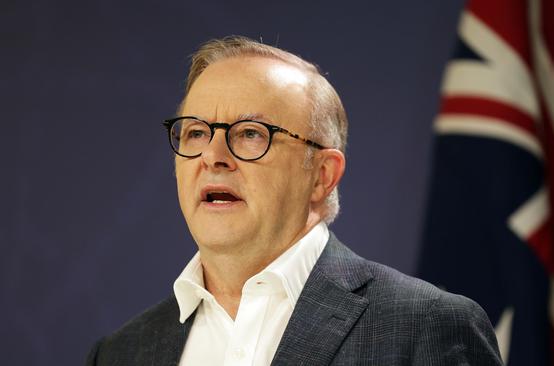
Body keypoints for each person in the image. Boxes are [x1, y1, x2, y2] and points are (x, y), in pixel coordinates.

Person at [85, 36, 503, 366]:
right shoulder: (121, 353)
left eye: (250, 133)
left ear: (322, 176)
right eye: (195, 132)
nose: (213, 156)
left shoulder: (425, 328)